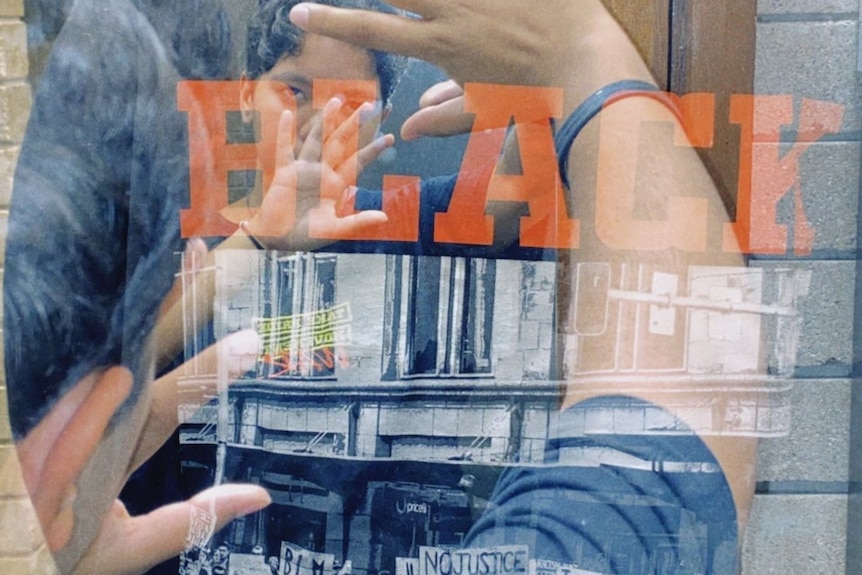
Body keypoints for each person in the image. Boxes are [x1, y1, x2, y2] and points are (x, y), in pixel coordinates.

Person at [4, 0, 755, 574]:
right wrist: (257, 242)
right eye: (293, 89)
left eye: (348, 97)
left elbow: (516, 197)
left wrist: (536, 97)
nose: (321, 116)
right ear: (243, 93)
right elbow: (103, 380)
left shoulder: (400, 218)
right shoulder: (158, 249)